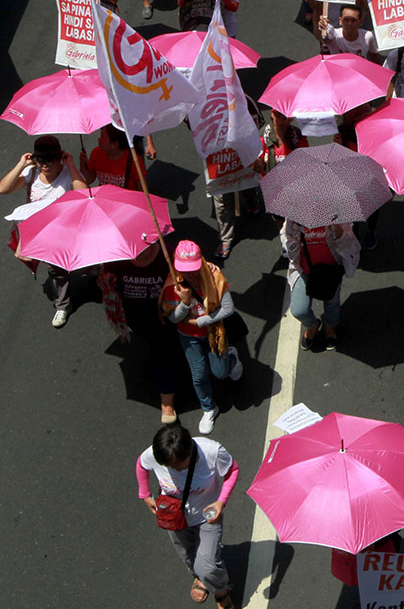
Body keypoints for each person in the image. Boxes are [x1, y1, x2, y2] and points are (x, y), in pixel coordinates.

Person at [136, 424, 239, 609]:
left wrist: (221, 501)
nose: (172, 469)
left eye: (177, 466)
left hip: (206, 516)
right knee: (185, 553)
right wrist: (144, 495)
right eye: (168, 466)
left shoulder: (212, 451)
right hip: (174, 515)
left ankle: (220, 591)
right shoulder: (156, 454)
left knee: (208, 565)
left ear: (190, 454)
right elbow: (141, 465)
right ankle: (199, 576)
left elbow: (232, 471)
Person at [0, 135, 89, 328]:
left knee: (82, 263)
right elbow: (3, 189)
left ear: (60, 158)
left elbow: (84, 192)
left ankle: (93, 276)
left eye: (50, 161)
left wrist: (72, 165)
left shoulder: (67, 173)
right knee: (55, 269)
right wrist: (21, 165)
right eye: (41, 161)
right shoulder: (31, 173)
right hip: (43, 232)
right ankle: (63, 305)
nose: (45, 166)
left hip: (68, 228)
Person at [160, 240, 242, 435]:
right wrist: (186, 303)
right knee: (199, 375)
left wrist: (202, 321)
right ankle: (208, 408)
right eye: (184, 269)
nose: (189, 273)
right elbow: (173, 318)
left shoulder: (214, 275)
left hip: (214, 334)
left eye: (193, 268)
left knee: (220, 373)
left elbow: (228, 308)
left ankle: (231, 357)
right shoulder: (173, 284)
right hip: (189, 337)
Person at [100, 239, 181, 423]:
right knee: (158, 345)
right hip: (135, 318)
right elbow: (108, 284)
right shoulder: (116, 258)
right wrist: (105, 281)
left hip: (164, 316)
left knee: (161, 354)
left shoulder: (167, 254)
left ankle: (167, 404)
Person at [284, 217, 360, 351]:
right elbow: (285, 237)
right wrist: (293, 242)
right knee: (298, 309)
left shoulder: (337, 216)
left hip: (330, 269)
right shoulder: (294, 217)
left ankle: (330, 325)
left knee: (331, 301)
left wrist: (340, 234)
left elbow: (351, 242)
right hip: (303, 270)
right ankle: (312, 324)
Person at [80, 124, 135, 188]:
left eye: (102, 137)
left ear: (114, 144)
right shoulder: (96, 153)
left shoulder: (132, 160)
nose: (99, 139)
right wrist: (83, 165)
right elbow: (89, 180)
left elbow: (141, 189)